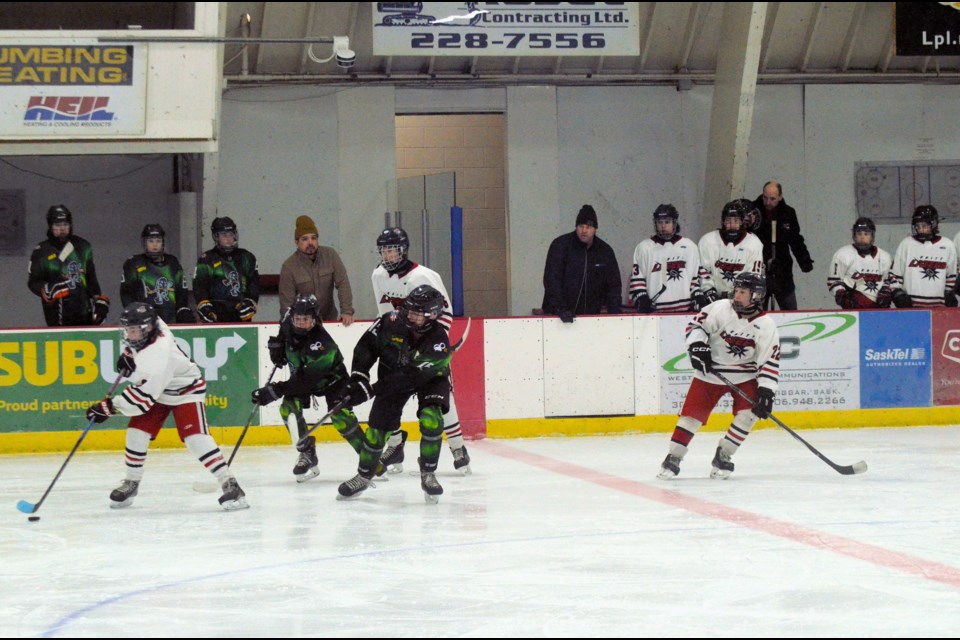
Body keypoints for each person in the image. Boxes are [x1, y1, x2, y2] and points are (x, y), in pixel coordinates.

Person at [84, 302, 248, 510]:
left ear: (147, 329)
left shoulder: (158, 355)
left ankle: (230, 483)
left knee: (196, 438)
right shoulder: (155, 325)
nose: (129, 335)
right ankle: (132, 482)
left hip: (185, 390)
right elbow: (141, 343)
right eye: (128, 330)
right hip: (160, 389)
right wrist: (129, 354)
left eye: (133, 331)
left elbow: (142, 399)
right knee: (136, 432)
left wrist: (108, 407)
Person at [656, 272, 780, 480]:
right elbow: (696, 326)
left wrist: (766, 390)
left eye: (743, 292)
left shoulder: (766, 326)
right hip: (711, 372)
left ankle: (724, 455)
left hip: (745, 374)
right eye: (736, 290)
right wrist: (697, 346)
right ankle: (673, 456)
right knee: (691, 417)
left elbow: (769, 361)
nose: (736, 296)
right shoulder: (720, 308)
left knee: (749, 414)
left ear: (756, 296)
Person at [334, 285, 452, 503]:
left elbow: (410, 377)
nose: (411, 315)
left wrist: (371, 390)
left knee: (432, 419)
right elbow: (365, 347)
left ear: (433, 315)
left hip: (429, 379)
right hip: (391, 376)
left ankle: (428, 473)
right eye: (410, 310)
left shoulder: (439, 342)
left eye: (418, 313)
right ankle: (364, 475)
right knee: (376, 430)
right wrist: (359, 378)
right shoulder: (390, 321)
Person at [371, 227, 471, 474]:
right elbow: (386, 316)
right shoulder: (378, 276)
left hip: (427, 346)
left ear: (403, 250)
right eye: (384, 251)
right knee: (388, 395)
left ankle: (457, 447)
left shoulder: (423, 276)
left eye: (392, 250)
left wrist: (431, 347)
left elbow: (445, 314)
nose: (388, 256)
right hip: (399, 347)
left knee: (440, 396)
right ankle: (395, 446)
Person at [250, 294, 373, 482]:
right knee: (288, 409)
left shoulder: (322, 344)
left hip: (333, 381)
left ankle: (369, 459)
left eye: (305, 320)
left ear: (315, 320)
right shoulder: (288, 321)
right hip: (303, 376)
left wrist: (273, 391)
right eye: (297, 319)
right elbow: (283, 334)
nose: (300, 323)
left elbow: (305, 381)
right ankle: (306, 452)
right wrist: (277, 348)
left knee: (341, 417)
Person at [28, 204, 110, 327]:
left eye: (65, 224)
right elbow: (33, 282)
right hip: (55, 310)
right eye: (57, 225)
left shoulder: (83, 246)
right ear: (50, 226)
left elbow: (91, 277)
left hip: (83, 307)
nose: (62, 229)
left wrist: (98, 301)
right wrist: (47, 289)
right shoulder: (41, 251)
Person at [541, 204, 622, 322]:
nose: (584, 231)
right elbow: (551, 280)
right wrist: (561, 308)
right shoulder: (560, 246)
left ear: (595, 229)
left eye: (588, 227)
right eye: (580, 226)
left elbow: (613, 285)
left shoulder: (605, 251)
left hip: (591, 318)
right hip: (557, 317)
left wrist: (614, 314)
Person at [279, 215, 354, 326]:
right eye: (305, 239)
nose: (310, 242)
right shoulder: (289, 266)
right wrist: (293, 324)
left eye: (314, 238)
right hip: (303, 325)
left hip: (329, 320)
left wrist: (346, 311)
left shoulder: (330, 255)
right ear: (296, 242)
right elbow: (287, 302)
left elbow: (343, 283)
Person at [629, 204, 705, 313]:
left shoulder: (689, 246)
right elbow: (637, 281)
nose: (663, 226)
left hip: (684, 313)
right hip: (654, 313)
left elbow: (695, 279)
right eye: (660, 222)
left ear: (675, 223)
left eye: (667, 222)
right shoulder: (644, 248)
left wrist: (697, 296)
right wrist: (641, 298)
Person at [751, 181, 814, 310]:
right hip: (757, 268)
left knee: (790, 311)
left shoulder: (788, 213)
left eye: (772, 199)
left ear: (780, 197)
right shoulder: (752, 211)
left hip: (782, 269)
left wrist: (804, 260)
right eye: (765, 198)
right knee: (755, 313)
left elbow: (795, 239)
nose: (768, 202)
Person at [120, 224, 194, 323]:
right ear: (144, 243)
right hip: (144, 319)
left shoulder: (172, 262)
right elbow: (126, 294)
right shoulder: (134, 263)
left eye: (158, 241)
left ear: (163, 243)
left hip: (171, 317)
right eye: (151, 241)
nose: (155, 245)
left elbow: (181, 291)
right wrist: (134, 314)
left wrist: (182, 309)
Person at [193, 216, 260, 323]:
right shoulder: (207, 259)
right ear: (216, 237)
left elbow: (253, 284)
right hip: (215, 315)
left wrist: (251, 301)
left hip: (241, 314)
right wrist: (204, 306)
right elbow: (200, 287)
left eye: (231, 234)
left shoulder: (247, 257)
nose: (229, 238)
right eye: (224, 235)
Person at [889, 205, 958, 308]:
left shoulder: (947, 245)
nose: (921, 229)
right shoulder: (906, 244)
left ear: (934, 224)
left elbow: (952, 276)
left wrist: (949, 293)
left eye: (924, 225)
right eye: (918, 226)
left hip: (940, 310)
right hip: (911, 309)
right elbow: (894, 275)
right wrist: (898, 294)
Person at [698, 199, 766, 303]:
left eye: (736, 221)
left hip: (741, 300)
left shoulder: (754, 243)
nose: (732, 225)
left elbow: (753, 275)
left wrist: (740, 295)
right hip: (712, 299)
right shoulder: (707, 241)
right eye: (728, 221)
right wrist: (709, 291)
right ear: (722, 222)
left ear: (742, 222)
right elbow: (703, 271)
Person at [827, 217, 894, 309]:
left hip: (879, 310)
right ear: (854, 236)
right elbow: (834, 281)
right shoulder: (842, 255)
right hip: (853, 310)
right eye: (859, 233)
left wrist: (886, 292)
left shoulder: (885, 257)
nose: (862, 237)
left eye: (866, 234)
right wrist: (843, 297)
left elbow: (890, 281)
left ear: (872, 236)